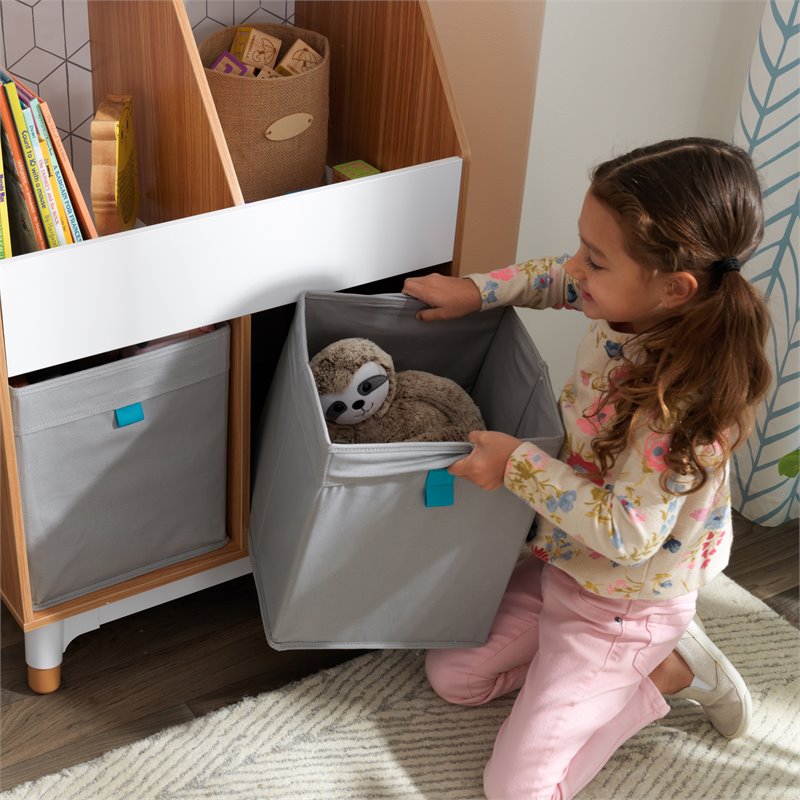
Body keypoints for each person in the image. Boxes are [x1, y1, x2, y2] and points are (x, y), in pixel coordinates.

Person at [402, 138, 771, 800]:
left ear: (673, 287)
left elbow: (630, 535)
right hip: (561, 562)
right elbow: (555, 277)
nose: (576, 269)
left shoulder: (679, 410)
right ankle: (599, 678)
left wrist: (519, 464)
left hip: (621, 607)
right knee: (455, 677)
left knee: (516, 790)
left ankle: (664, 673)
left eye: (595, 260)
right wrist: (475, 291)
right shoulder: (628, 305)